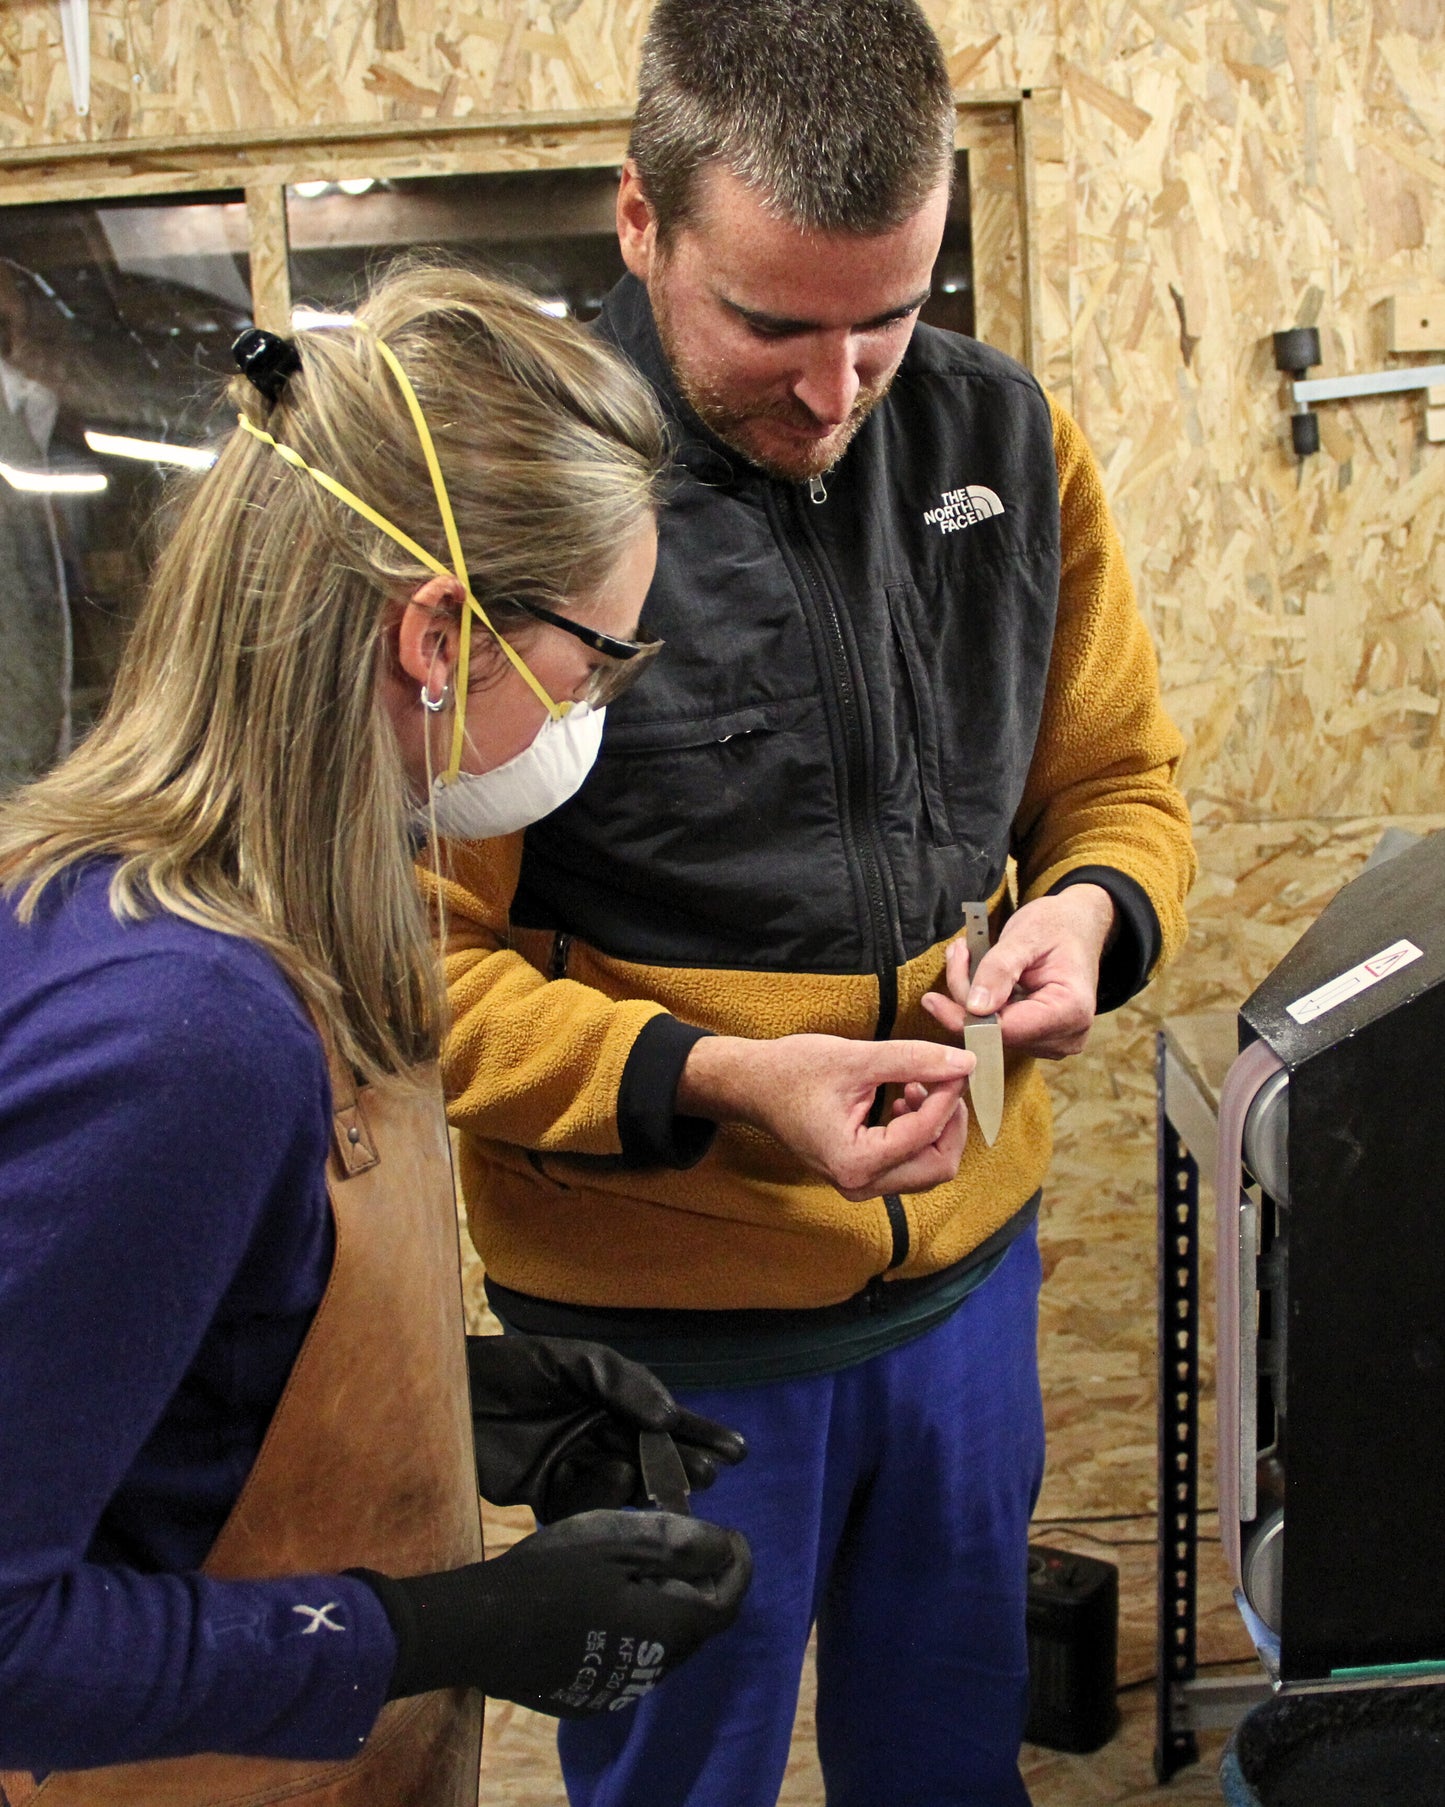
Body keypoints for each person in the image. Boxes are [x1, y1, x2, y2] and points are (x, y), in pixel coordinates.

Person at [434, 3, 1198, 1802]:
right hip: (660, 1337)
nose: (839, 386)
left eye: (891, 314)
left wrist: (1084, 917)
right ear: (638, 221)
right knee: (674, 1784)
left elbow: (1118, 786)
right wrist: (712, 1081)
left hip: (964, 1289)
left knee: (944, 1758)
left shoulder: (1001, 440)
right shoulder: (513, 504)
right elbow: (408, 965)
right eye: (771, 323)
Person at [0, 263, 755, 1807]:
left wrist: (464, 1408)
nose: (597, 704)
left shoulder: (318, 922)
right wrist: (429, 1627)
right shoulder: (183, 1029)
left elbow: (141, 1388)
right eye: (596, 660)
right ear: (436, 630)